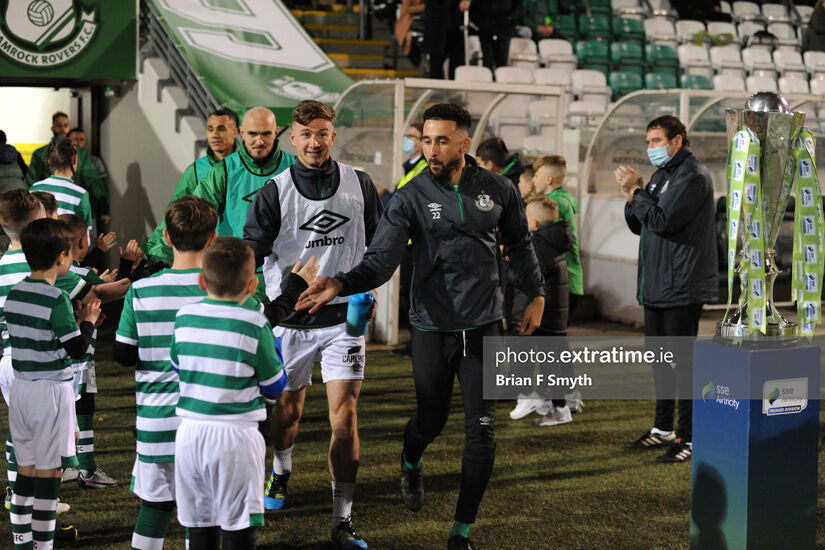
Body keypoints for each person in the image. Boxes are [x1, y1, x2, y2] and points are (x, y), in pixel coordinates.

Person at [298, 103, 545, 550]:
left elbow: (520, 244)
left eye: (442, 140)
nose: (431, 149)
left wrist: (537, 294)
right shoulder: (411, 197)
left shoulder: (499, 188)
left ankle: (461, 531)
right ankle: (411, 457)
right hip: (432, 326)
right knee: (431, 419)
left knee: (483, 426)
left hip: (486, 324)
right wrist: (339, 282)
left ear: (464, 143)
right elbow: (381, 260)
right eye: (426, 140)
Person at [244, 99, 383, 549]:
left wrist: (366, 287)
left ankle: (343, 518)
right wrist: (273, 302)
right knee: (287, 412)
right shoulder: (273, 192)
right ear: (292, 138)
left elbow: (379, 248)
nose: (314, 142)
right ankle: (281, 471)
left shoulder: (360, 185)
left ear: (333, 135)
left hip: (344, 317)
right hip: (292, 319)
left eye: (322, 132)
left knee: (345, 415)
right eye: (305, 134)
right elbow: (251, 256)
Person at [170, 237, 290, 550]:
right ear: (252, 286)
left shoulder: (183, 318)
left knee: (199, 526)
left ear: (201, 280)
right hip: (236, 437)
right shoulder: (254, 322)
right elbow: (275, 385)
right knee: (238, 527)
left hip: (189, 435)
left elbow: (178, 368)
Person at [615, 115, 718, 463]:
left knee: (682, 365)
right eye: (648, 141)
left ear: (677, 141)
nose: (651, 148)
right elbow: (638, 224)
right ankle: (663, 429)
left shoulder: (692, 176)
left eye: (656, 140)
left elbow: (662, 221)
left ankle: (689, 437)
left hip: (681, 285)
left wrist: (639, 192)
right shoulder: (663, 175)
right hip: (657, 284)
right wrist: (633, 195)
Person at [5, 217, 102, 548]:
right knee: (49, 474)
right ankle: (42, 545)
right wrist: (87, 321)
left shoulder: (16, 294)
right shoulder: (55, 298)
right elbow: (76, 351)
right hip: (49, 391)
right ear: (62, 257)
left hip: (22, 390)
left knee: (25, 470)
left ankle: (21, 542)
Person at [193, 106, 295, 300]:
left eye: (266, 133)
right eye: (252, 134)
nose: (259, 140)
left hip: (288, 278)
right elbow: (193, 221)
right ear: (241, 132)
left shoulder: (295, 169)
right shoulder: (223, 171)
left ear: (276, 131)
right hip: (236, 277)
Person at [58, 214, 130, 488]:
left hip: (52, 358)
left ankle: (69, 466)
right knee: (83, 405)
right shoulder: (76, 274)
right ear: (80, 241)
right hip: (78, 356)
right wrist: (134, 272)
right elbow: (108, 292)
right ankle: (84, 468)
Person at [144, 108, 240, 264]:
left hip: (241, 253)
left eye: (221, 129)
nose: (214, 134)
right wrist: (151, 251)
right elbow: (173, 214)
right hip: (207, 256)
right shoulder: (195, 171)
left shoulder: (247, 167)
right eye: (210, 129)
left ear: (235, 131)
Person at [25, 112, 108, 228]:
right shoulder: (40, 154)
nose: (63, 129)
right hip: (54, 209)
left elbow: (93, 181)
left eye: (65, 125)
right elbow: (31, 180)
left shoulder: (80, 153)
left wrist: (104, 208)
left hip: (56, 214)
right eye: (59, 125)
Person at [533, 155, 582, 317]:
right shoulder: (565, 198)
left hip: (560, 280)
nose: (533, 180)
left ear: (548, 179)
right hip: (568, 278)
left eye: (537, 176)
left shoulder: (552, 204)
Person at [29, 137, 94, 232]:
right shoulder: (81, 194)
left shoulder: (34, 188)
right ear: (75, 159)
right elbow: (84, 233)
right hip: (67, 246)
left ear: (49, 160)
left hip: (37, 245)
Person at [470, 0, 522, 72]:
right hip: (486, 32)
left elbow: (518, 7)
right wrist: (482, 24)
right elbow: (474, 10)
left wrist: (509, 19)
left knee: (502, 66)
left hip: (504, 31)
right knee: (487, 66)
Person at [422, 0, 469, 79]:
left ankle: (455, 89)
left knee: (457, 66)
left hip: (455, 26)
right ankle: (436, 90)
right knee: (436, 66)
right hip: (436, 28)